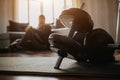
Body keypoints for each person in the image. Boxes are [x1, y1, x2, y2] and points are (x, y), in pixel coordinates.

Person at [49, 8, 115, 64]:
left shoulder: (97, 36)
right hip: (86, 52)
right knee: (78, 36)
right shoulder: (79, 35)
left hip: (100, 55)